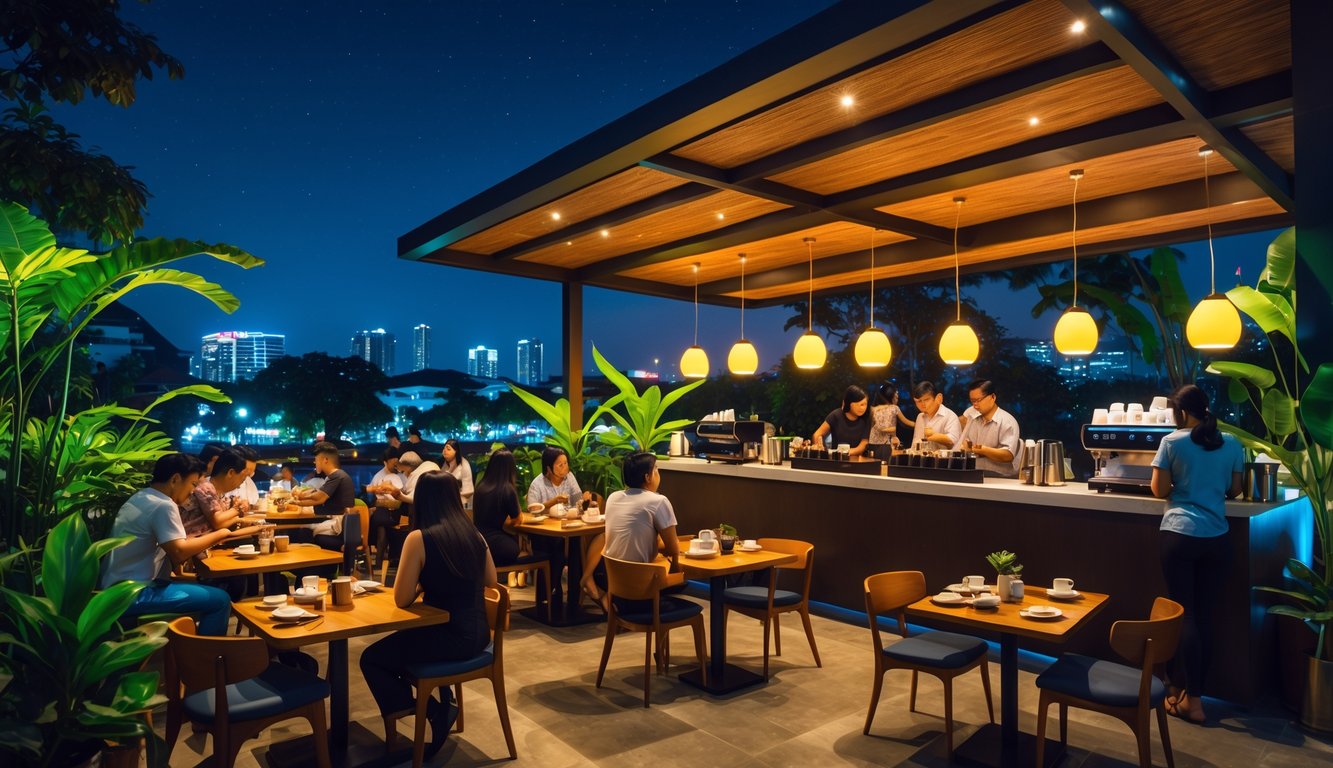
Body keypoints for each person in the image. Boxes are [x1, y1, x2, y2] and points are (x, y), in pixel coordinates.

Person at [359, 471, 495, 758]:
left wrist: (422, 582)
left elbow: (401, 598)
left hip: (448, 637)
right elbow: (491, 581)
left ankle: (435, 711)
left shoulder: (419, 538)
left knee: (372, 659)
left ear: (421, 501)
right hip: (479, 633)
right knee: (397, 649)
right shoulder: (474, 533)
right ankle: (438, 707)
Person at [1150, 384, 1244, 725]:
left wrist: (1183, 485)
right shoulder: (1232, 443)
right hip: (1217, 537)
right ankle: (1191, 696)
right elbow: (1235, 489)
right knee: (1205, 617)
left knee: (1185, 615)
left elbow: (1159, 490)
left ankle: (1186, 698)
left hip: (1179, 533)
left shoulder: (1172, 441)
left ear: (1182, 412)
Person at [102, 454, 263, 635]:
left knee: (208, 588)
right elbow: (178, 552)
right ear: (175, 479)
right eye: (193, 484)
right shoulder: (163, 505)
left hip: (114, 589)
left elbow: (175, 546)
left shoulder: (141, 497)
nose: (193, 491)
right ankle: (204, 658)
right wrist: (220, 534)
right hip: (134, 593)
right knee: (220, 600)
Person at [597, 451, 684, 610]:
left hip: (616, 592)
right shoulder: (658, 501)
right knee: (685, 589)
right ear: (647, 477)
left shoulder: (613, 498)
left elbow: (638, 540)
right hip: (644, 595)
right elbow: (673, 549)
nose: (658, 473)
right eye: (656, 469)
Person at [526, 447, 591, 605]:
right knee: (556, 549)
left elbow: (578, 501)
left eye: (566, 463)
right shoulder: (538, 484)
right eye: (560, 465)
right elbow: (532, 510)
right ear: (548, 467)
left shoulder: (569, 478)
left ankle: (574, 598)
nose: (565, 468)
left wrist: (585, 501)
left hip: (568, 528)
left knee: (578, 548)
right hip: (544, 533)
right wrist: (553, 502)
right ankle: (548, 594)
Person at [292, 441, 356, 550]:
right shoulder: (334, 476)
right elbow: (317, 495)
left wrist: (297, 501)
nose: (314, 462)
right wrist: (298, 501)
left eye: (316, 459)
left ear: (325, 460)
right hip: (343, 523)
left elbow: (319, 498)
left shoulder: (337, 475)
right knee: (303, 528)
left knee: (303, 531)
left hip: (342, 526)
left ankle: (313, 565)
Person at [959, 379, 1022, 477]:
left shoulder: (1007, 421)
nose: (975, 405)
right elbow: (967, 446)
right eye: (972, 401)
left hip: (1000, 477)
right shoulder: (973, 420)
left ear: (992, 397)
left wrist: (982, 450)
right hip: (975, 473)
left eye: (978, 400)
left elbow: (1008, 455)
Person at [471, 449, 523, 566]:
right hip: (496, 546)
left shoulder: (481, 486)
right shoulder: (507, 488)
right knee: (516, 546)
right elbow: (517, 520)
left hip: (477, 542)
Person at [366, 447, 405, 568]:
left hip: (397, 511)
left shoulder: (401, 475)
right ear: (385, 462)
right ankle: (380, 563)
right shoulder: (379, 476)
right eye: (393, 463)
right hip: (384, 512)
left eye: (397, 463)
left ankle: (378, 563)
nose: (395, 466)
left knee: (381, 527)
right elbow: (371, 492)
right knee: (381, 527)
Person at [810, 385, 871, 456]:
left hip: (858, 460)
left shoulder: (866, 419)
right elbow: (817, 434)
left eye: (865, 404)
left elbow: (864, 444)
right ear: (849, 403)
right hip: (836, 459)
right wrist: (818, 445)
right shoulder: (836, 415)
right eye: (860, 405)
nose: (863, 408)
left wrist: (847, 452)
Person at [909, 380, 961, 449]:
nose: (922, 404)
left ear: (938, 398)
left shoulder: (950, 416)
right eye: (918, 401)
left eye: (926, 400)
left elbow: (953, 441)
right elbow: (915, 443)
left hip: (945, 459)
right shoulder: (920, 417)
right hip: (923, 458)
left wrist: (933, 436)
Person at [868, 383, 913, 449]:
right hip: (884, 444)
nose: (897, 399)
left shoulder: (873, 409)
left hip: (871, 442)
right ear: (891, 397)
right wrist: (918, 424)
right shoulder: (894, 408)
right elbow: (906, 422)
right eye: (896, 397)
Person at [441, 438, 474, 506]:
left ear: (456, 451)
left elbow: (468, 491)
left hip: (461, 503)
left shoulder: (464, 465)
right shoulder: (445, 464)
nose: (444, 451)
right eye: (444, 448)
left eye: (448, 449)